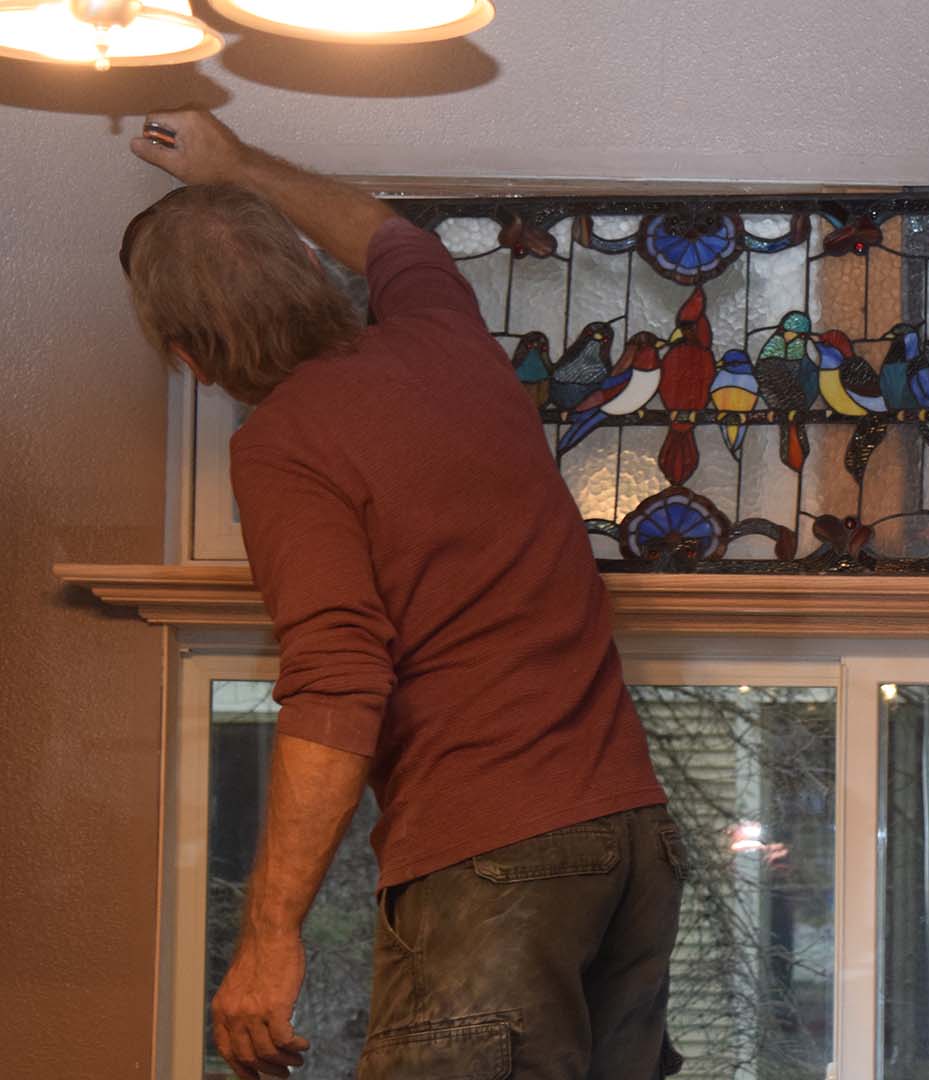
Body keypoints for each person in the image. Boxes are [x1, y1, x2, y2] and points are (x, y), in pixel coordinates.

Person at [123, 109, 683, 1080]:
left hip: (493, 864)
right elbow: (392, 239)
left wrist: (270, 937)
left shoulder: (284, 446)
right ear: (308, 271)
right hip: (631, 843)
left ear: (190, 359)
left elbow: (338, 682)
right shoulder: (444, 333)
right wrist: (241, 164)